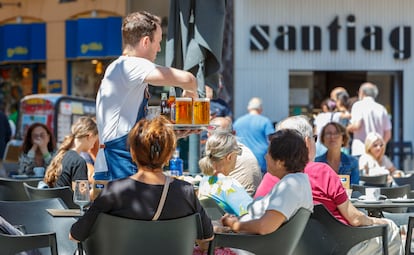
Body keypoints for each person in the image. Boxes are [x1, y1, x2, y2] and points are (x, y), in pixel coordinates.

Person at [254, 115, 402, 255]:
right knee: (391, 229)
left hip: (291, 248)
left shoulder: (269, 178)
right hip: (340, 245)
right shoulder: (322, 171)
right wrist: (376, 221)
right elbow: (355, 219)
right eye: (314, 138)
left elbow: (257, 215)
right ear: (306, 142)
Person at [70, 116, 213, 251]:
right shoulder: (186, 192)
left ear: (132, 152)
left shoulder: (115, 191)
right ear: (169, 154)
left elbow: (75, 235)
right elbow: (207, 236)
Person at [94, 11, 198, 181]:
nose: (159, 48)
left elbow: (129, 128)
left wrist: (173, 133)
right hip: (119, 165)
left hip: (113, 163)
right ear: (145, 41)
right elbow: (188, 78)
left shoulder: (121, 69)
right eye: (158, 42)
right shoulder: (130, 65)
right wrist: (191, 92)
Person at [220, 129, 313, 236]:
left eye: (268, 153)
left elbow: (265, 226)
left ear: (280, 162)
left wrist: (234, 225)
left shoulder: (290, 185)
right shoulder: (297, 181)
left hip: (249, 247)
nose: (265, 157)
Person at [198, 131, 254, 216]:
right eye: (237, 153)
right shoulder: (228, 185)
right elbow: (253, 214)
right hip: (234, 228)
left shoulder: (205, 179)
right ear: (230, 157)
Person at [209, 117, 262, 196]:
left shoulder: (225, 152)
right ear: (234, 133)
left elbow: (211, 185)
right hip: (249, 200)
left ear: (209, 136)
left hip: (236, 203)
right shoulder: (242, 148)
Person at [44, 117, 98, 189]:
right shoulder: (78, 162)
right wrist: (97, 189)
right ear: (90, 136)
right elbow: (81, 197)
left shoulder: (59, 154)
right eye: (95, 140)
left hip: (57, 199)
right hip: (67, 200)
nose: (94, 144)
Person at [347, 82, 392, 157]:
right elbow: (388, 134)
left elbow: (357, 126)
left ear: (362, 93)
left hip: (360, 150)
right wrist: (380, 147)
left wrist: (345, 129)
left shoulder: (358, 105)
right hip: (377, 153)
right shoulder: (381, 108)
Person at [233, 97, 275, 174]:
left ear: (249, 108)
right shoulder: (265, 121)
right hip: (261, 159)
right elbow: (273, 140)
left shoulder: (238, 122)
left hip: (242, 158)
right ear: (261, 109)